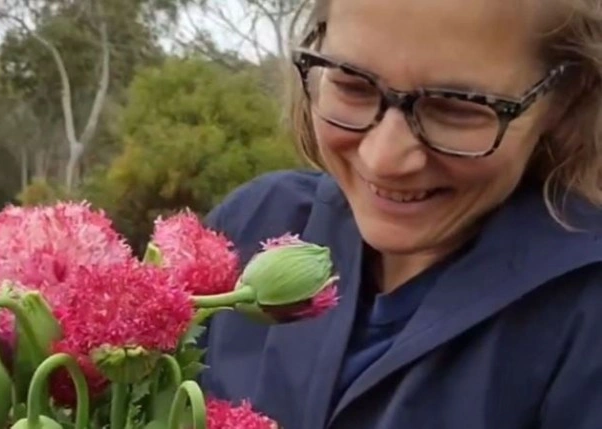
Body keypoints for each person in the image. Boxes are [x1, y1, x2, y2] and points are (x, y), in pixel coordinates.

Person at [198, 0, 602, 428]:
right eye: (351, 85)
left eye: (458, 107)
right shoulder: (252, 222)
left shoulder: (584, 312)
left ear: (564, 97)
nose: (382, 159)